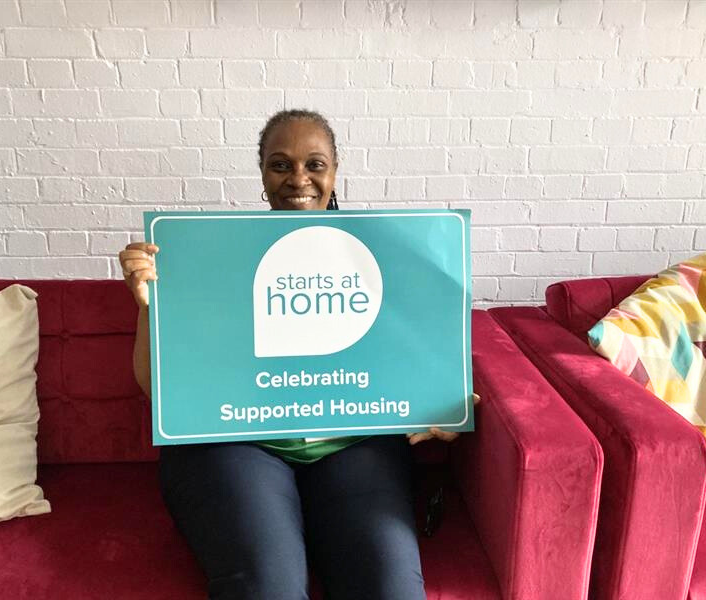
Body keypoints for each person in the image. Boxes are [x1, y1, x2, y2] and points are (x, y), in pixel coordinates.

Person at [118, 110, 459, 600]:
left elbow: (422, 359)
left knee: (391, 590)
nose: (298, 179)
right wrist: (148, 307)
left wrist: (447, 401)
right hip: (237, 445)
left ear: (335, 172)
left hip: (352, 447)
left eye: (314, 164)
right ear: (262, 175)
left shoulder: (383, 257)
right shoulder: (211, 257)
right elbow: (159, 389)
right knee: (267, 589)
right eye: (280, 165)